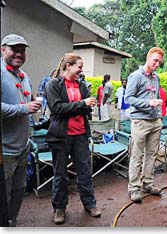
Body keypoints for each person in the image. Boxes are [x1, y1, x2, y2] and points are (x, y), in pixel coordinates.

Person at [45, 53, 101, 224]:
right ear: (68, 66)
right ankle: (59, 209)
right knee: (60, 174)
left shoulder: (81, 85)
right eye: (79, 67)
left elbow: (86, 110)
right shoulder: (53, 84)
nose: (81, 71)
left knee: (85, 172)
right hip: (61, 137)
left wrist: (83, 105)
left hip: (81, 135)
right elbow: (56, 108)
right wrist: (82, 104)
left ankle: (90, 204)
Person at [1, 34, 42, 227]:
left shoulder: (24, 76)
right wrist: (24, 108)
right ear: (3, 50)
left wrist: (31, 105)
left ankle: (12, 223)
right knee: (3, 195)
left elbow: (26, 102)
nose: (18, 53)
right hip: (4, 150)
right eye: (14, 49)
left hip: (22, 146)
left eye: (22, 50)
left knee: (19, 190)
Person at [125, 47, 165, 202]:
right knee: (136, 155)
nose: (157, 64)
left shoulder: (156, 77)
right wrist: (149, 102)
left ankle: (148, 183)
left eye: (159, 62)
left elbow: (155, 96)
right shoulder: (135, 76)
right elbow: (128, 99)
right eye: (155, 60)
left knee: (152, 154)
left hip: (155, 121)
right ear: (148, 58)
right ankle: (134, 188)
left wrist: (158, 112)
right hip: (140, 122)